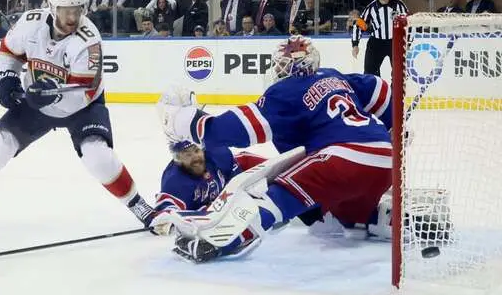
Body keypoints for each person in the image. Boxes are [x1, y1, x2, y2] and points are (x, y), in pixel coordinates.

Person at [0, 0, 155, 231]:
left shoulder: (88, 40)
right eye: (66, 10)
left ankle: (138, 204)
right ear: (52, 8)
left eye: (78, 9)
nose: (73, 16)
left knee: (98, 155)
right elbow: (9, 49)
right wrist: (7, 77)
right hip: (37, 100)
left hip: (83, 105)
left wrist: (50, 96)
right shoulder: (31, 23)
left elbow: (84, 92)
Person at [154, 35, 394, 262]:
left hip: (342, 157)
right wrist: (396, 127)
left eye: (281, 66)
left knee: (282, 190)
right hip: (385, 159)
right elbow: (380, 89)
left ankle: (229, 240)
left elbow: (236, 130)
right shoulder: (334, 76)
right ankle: (379, 218)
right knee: (342, 215)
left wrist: (190, 122)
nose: (278, 71)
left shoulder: (286, 91)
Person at [351, 0, 408, 76]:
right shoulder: (371, 7)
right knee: (370, 75)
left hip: (395, 43)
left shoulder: (399, 4)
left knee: (399, 74)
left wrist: (408, 42)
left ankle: (394, 92)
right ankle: (376, 91)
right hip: (376, 44)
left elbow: (409, 23)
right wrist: (355, 44)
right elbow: (359, 24)